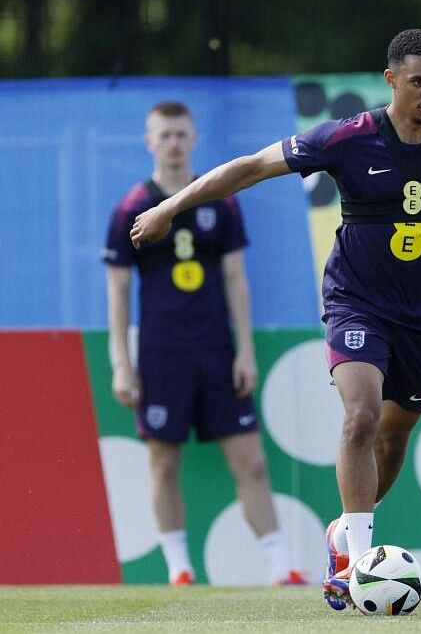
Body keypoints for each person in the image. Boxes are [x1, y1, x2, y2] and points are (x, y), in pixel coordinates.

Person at [129, 30, 421, 610]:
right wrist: (168, 206)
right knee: (359, 415)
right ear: (391, 79)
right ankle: (360, 562)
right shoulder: (349, 137)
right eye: (418, 82)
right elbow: (254, 167)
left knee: (392, 436)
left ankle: (345, 532)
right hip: (356, 302)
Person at [104, 101, 305, 587]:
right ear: (149, 141)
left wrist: (246, 351)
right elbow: (118, 288)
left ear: (194, 140)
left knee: (252, 461)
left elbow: (236, 278)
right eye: (164, 134)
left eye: (181, 134)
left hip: (216, 351)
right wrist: (122, 364)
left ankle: (281, 567)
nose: (173, 143)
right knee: (164, 461)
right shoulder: (132, 208)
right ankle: (179, 569)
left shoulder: (221, 201)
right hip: (161, 353)